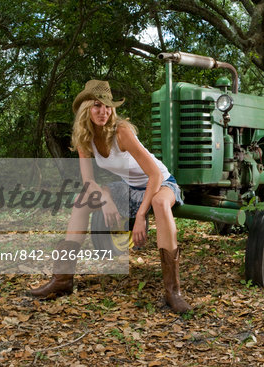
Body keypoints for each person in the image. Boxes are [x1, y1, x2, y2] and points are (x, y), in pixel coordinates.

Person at [29, 80, 192, 313]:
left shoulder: (121, 132)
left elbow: (154, 174)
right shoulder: (86, 137)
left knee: (159, 202)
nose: (103, 111)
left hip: (161, 183)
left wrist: (140, 217)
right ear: (86, 109)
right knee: (82, 200)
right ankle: (62, 280)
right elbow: (88, 182)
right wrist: (104, 199)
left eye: (107, 106)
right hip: (130, 186)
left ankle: (173, 292)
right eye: (97, 105)